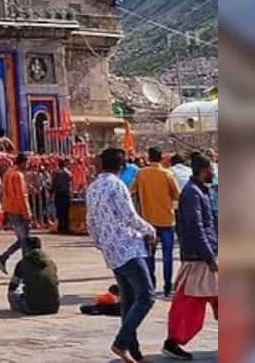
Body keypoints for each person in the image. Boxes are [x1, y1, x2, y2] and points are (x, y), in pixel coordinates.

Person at [86, 147, 158, 363]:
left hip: (111, 250)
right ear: (121, 165)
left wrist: (101, 242)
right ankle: (121, 342)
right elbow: (129, 216)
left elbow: (90, 222)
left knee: (128, 299)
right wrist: (149, 229)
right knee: (146, 296)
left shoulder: (93, 187)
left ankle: (133, 351)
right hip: (128, 247)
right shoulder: (117, 185)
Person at [163, 153, 219, 360]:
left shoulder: (200, 191)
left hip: (207, 254)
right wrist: (209, 257)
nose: (213, 172)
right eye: (211, 169)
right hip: (199, 258)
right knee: (188, 303)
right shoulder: (192, 193)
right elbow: (196, 228)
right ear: (204, 170)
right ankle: (172, 342)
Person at [132, 146, 181, 298]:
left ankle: (151, 284)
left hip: (148, 220)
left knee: (149, 254)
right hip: (167, 219)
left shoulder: (141, 173)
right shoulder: (167, 174)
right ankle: (167, 286)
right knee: (167, 255)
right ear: (161, 158)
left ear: (148, 158)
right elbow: (177, 195)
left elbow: (131, 190)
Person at [0, 153, 31, 275]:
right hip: (18, 210)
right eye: (27, 162)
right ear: (22, 162)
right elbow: (22, 196)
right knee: (24, 240)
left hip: (10, 209)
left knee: (23, 239)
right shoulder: (18, 175)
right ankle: (25, 267)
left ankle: (4, 257)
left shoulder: (7, 174)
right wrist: (27, 213)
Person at [7, 236, 61, 315]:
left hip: (32, 308)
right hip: (54, 307)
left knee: (12, 295)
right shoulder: (50, 262)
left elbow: (12, 286)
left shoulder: (22, 263)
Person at [52, 159, 73, 234]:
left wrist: (52, 192)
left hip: (58, 193)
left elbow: (54, 183)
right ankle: (66, 227)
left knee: (59, 211)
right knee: (66, 211)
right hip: (66, 193)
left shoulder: (56, 173)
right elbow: (70, 181)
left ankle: (60, 227)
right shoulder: (68, 173)